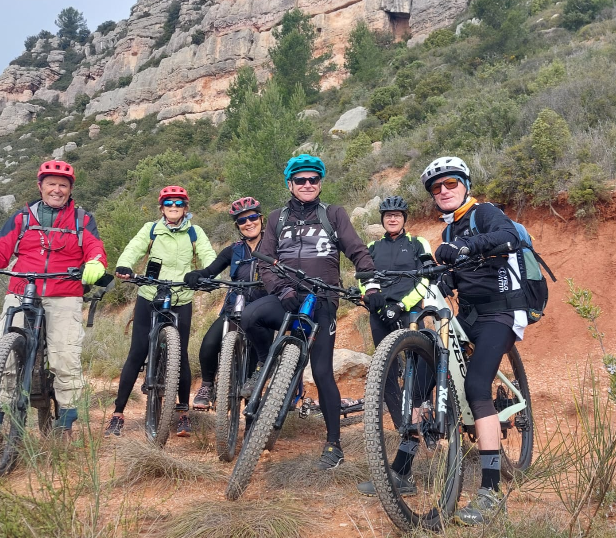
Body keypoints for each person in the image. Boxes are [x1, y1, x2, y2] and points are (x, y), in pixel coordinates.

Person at [241, 153, 380, 470]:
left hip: (322, 300)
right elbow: (265, 262)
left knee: (321, 373)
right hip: (286, 295)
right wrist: (282, 289)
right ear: (290, 184)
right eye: (300, 180)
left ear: (320, 183)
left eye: (313, 179)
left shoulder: (334, 214)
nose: (307, 184)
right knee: (250, 318)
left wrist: (370, 285)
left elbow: (357, 251)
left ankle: (334, 444)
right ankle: (267, 362)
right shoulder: (276, 219)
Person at [0, 160, 108, 439]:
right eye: (51, 184)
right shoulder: (21, 218)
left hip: (64, 291)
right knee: (7, 356)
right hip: (21, 288)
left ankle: (66, 420)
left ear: (70, 189)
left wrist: (96, 262)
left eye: (63, 185)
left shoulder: (82, 219)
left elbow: (94, 248)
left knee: (65, 357)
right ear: (40, 186)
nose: (57, 190)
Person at [422, 156, 528, 525]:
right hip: (469, 314)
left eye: (451, 183)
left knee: (476, 386)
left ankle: (490, 490)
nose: (444, 191)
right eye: (437, 188)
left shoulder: (485, 213)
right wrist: (441, 278)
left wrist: (467, 248)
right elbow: (457, 277)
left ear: (465, 184)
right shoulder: (449, 232)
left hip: (501, 312)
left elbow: (509, 237)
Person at [104, 186, 216, 438]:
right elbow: (134, 248)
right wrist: (124, 264)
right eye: (169, 204)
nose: (174, 208)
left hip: (181, 297)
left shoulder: (195, 233)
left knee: (181, 357)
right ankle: (118, 414)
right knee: (136, 353)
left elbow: (208, 255)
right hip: (150, 296)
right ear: (162, 208)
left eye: (178, 204)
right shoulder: (151, 229)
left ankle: (183, 412)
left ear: (185, 208)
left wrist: (208, 275)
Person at [355, 195, 433, 497]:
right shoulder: (373, 248)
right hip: (379, 315)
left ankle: (423, 420)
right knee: (386, 375)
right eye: (387, 215)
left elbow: (427, 279)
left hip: (409, 313)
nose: (392, 219)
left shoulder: (417, 243)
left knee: (417, 377)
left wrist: (403, 304)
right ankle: (404, 425)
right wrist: (371, 295)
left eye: (397, 215)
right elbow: (364, 276)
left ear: (404, 218)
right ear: (383, 219)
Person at [181, 196, 268, 410]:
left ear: (261, 218)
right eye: (242, 221)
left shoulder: (274, 245)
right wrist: (197, 275)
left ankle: (252, 413)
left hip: (263, 309)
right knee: (208, 346)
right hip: (234, 307)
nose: (248, 223)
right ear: (237, 226)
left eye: (252, 217)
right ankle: (208, 386)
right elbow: (211, 270)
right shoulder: (233, 250)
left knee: (255, 361)